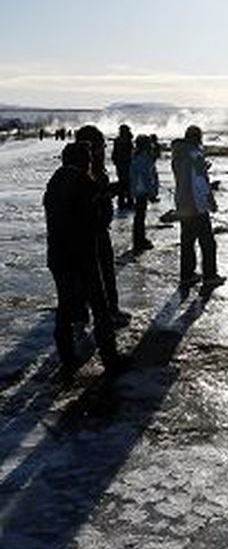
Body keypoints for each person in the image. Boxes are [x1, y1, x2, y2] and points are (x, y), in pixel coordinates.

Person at [44, 142, 125, 375]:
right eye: (89, 157)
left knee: (65, 306)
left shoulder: (55, 181)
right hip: (82, 254)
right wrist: (105, 202)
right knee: (100, 306)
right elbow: (96, 222)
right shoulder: (84, 182)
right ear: (82, 160)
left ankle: (67, 358)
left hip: (58, 254)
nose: (91, 161)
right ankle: (110, 357)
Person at [75, 124, 132, 328]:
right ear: (92, 147)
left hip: (90, 230)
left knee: (88, 275)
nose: (104, 149)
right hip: (94, 232)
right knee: (103, 273)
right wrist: (111, 191)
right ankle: (109, 313)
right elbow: (91, 199)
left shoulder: (83, 168)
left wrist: (112, 190)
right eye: (100, 146)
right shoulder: (85, 171)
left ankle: (83, 314)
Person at [172, 125, 226, 289]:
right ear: (198, 138)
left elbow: (186, 177)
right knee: (207, 241)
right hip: (196, 205)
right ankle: (210, 275)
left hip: (182, 201)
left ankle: (187, 274)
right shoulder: (195, 154)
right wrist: (210, 200)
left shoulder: (179, 154)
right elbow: (200, 182)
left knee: (187, 241)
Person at [130, 134, 159, 254]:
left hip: (138, 190)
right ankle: (139, 241)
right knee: (140, 216)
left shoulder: (138, 157)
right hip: (142, 190)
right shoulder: (144, 158)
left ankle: (140, 240)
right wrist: (152, 193)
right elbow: (147, 177)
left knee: (139, 216)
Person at [112, 124, 134, 209]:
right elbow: (131, 152)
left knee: (122, 182)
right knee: (127, 182)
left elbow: (114, 153)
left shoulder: (119, 140)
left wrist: (115, 161)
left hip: (121, 163)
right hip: (126, 163)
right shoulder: (128, 140)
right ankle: (128, 201)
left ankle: (122, 201)